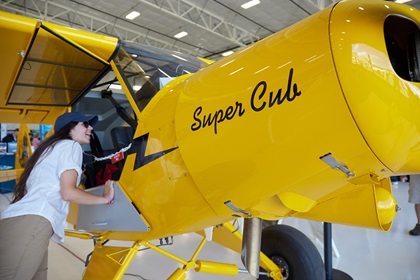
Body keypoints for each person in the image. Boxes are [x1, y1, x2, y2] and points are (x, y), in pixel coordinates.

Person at [0, 112, 115, 280]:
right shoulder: (70, 146)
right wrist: (105, 199)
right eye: (85, 124)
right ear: (70, 128)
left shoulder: (49, 150)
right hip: (33, 221)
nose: (91, 127)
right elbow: (68, 192)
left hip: (24, 221)